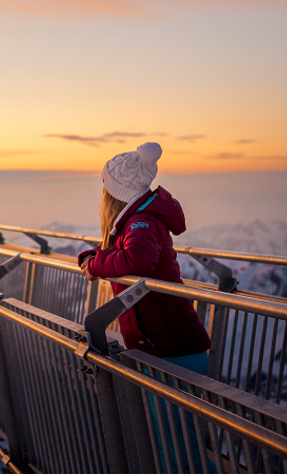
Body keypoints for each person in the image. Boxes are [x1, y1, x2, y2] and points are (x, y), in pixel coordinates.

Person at [78, 142, 212, 473]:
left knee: (183, 453)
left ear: (115, 192)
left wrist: (96, 264)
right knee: (172, 448)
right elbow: (118, 248)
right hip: (163, 350)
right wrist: (91, 257)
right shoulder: (134, 220)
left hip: (173, 353)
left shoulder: (143, 221)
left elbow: (136, 258)